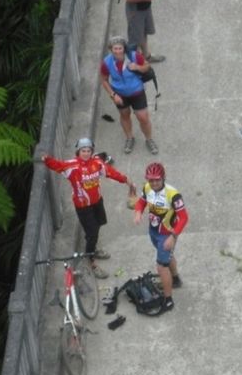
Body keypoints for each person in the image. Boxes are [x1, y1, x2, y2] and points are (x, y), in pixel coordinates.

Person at [42, 138, 136, 279]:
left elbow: (110, 172)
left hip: (97, 201)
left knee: (98, 224)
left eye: (88, 150)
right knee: (92, 233)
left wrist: (126, 180)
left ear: (92, 151)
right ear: (78, 152)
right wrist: (45, 158)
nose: (86, 153)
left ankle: (93, 248)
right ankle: (91, 261)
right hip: (83, 206)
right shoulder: (71, 166)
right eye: (83, 151)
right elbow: (56, 165)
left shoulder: (97, 163)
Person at [134, 162, 188, 309]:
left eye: (157, 179)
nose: (153, 183)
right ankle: (175, 279)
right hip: (153, 231)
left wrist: (173, 236)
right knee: (168, 257)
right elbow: (141, 202)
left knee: (161, 267)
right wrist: (138, 212)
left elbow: (183, 218)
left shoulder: (173, 194)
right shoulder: (147, 188)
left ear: (163, 178)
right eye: (150, 180)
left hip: (167, 235)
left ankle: (168, 299)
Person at [101, 36, 159, 155]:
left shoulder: (133, 56)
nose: (117, 51)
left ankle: (149, 139)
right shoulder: (106, 62)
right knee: (124, 115)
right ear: (111, 49)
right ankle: (129, 138)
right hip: (120, 94)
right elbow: (104, 80)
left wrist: (137, 67)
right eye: (114, 49)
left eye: (120, 48)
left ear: (124, 48)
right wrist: (113, 95)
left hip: (137, 91)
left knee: (143, 117)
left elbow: (147, 66)